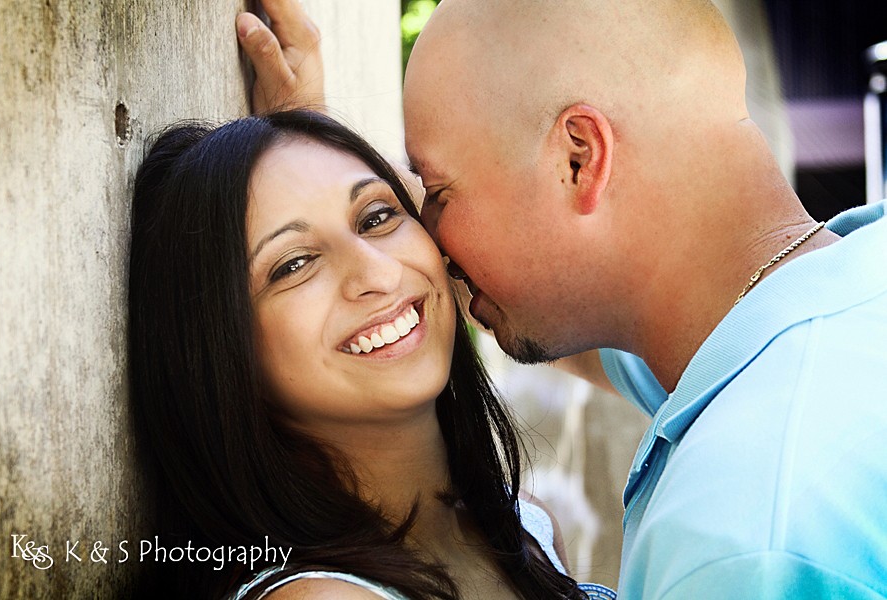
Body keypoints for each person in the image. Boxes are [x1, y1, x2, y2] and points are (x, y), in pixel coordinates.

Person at [238, 0, 887, 598]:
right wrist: (317, 169)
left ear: (578, 159)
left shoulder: (743, 543)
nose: (429, 242)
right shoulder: (831, 308)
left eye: (438, 193)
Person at [128, 108, 620, 600]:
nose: (379, 273)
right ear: (219, 349)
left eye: (376, 217)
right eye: (294, 264)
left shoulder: (528, 529)